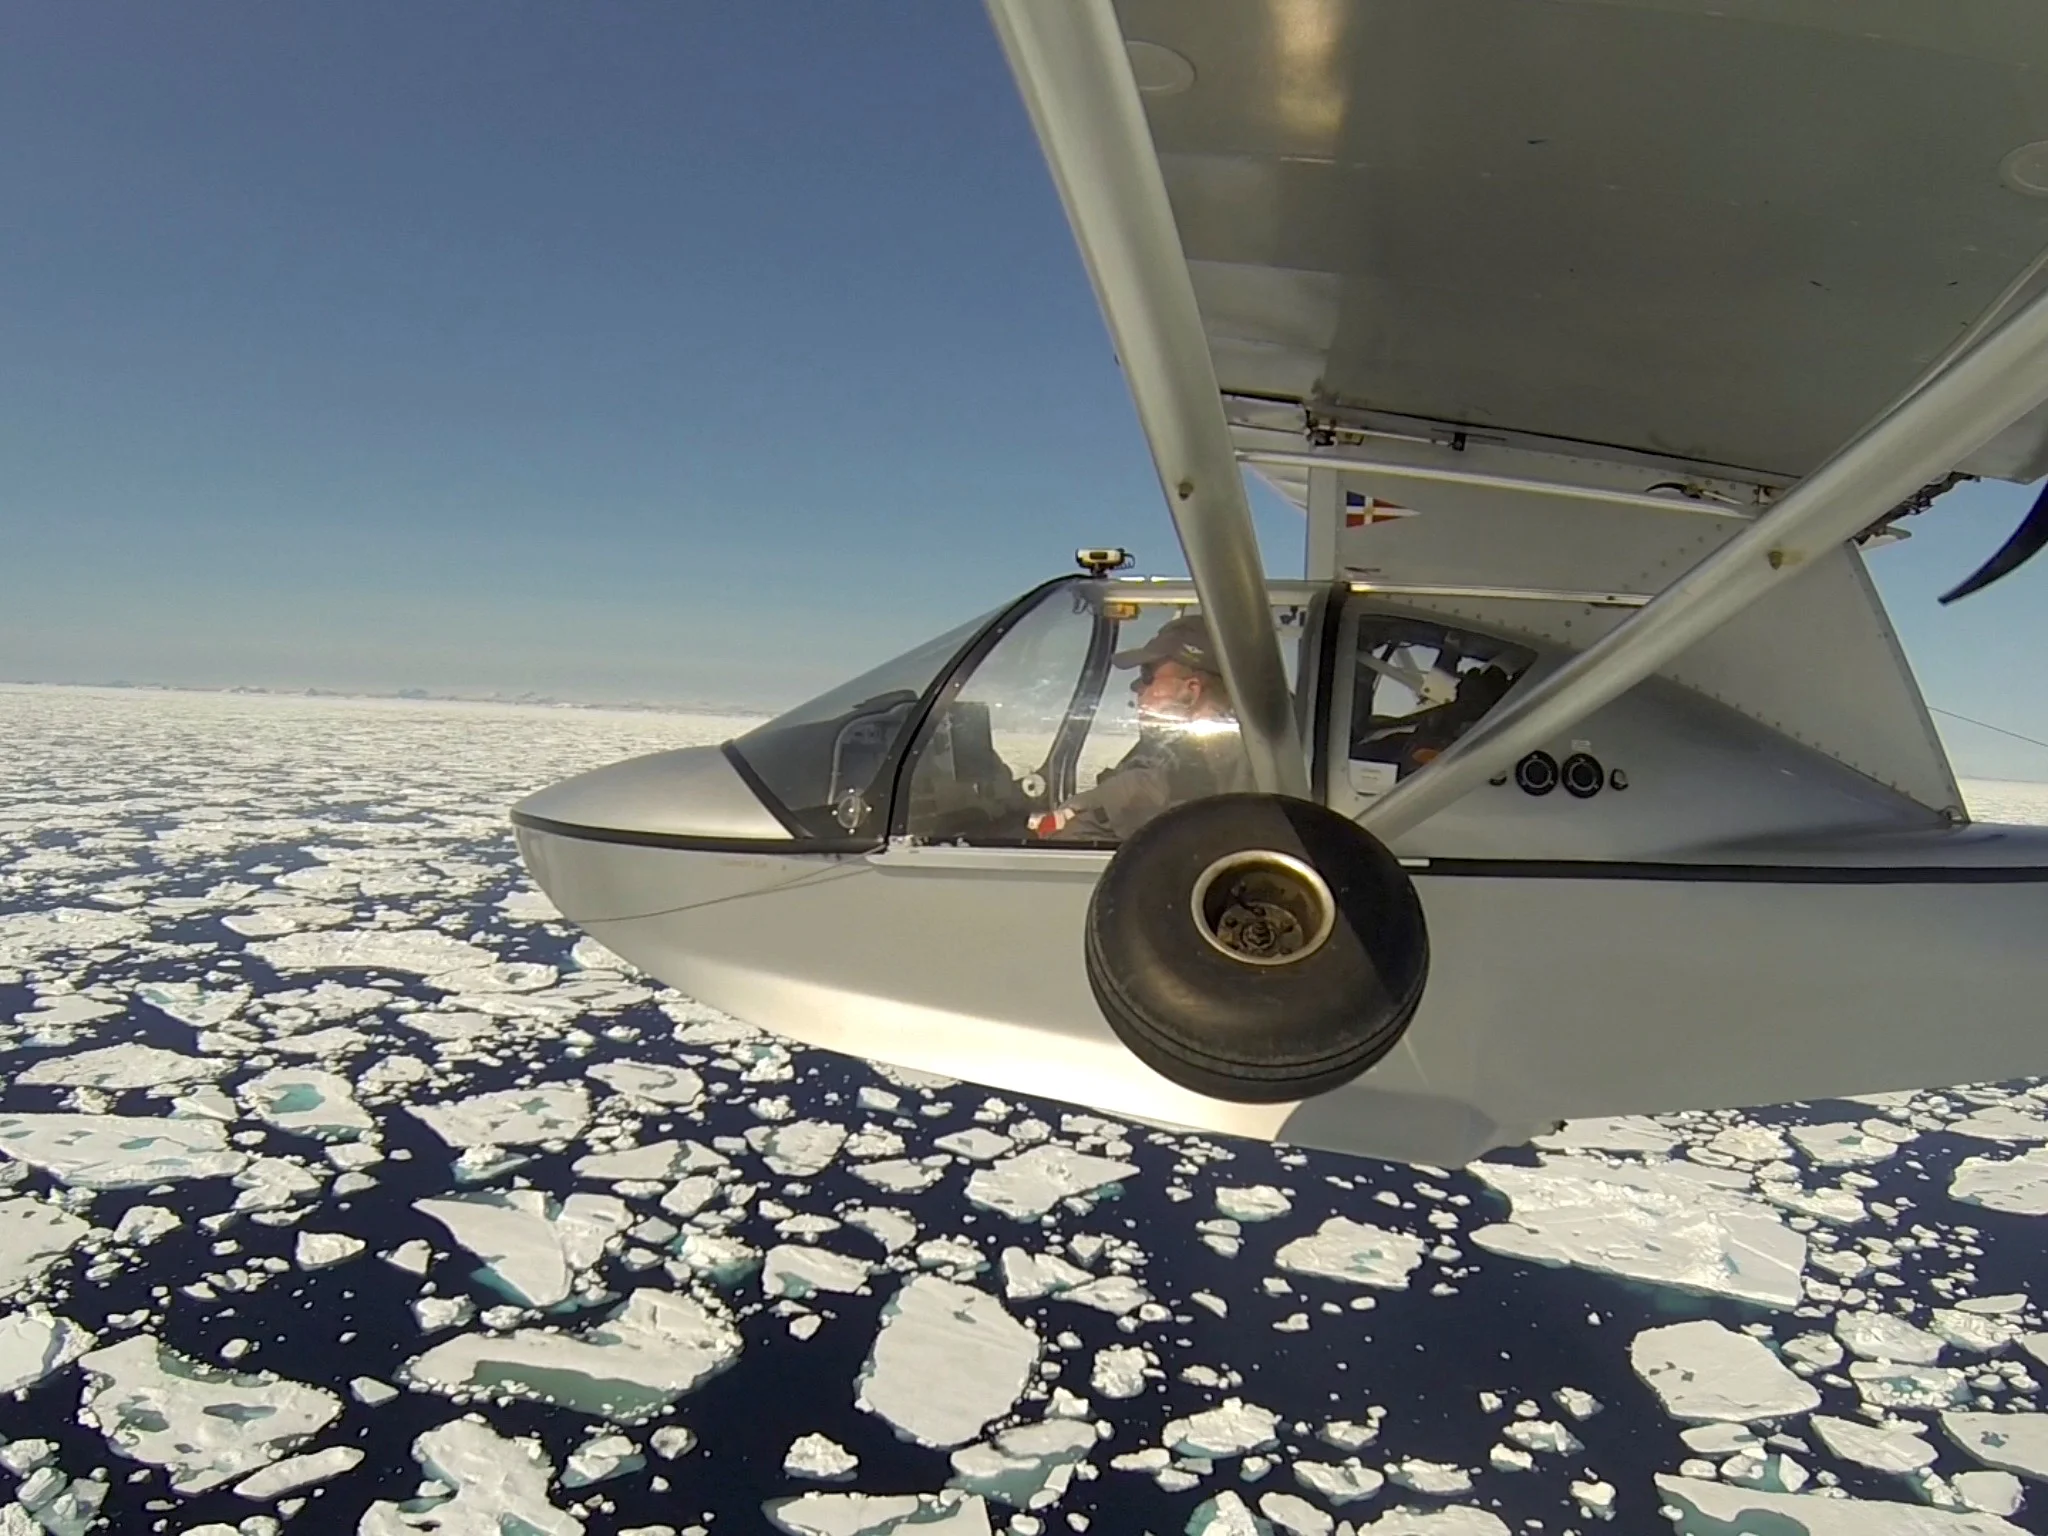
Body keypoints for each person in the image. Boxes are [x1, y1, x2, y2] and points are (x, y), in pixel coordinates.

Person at [1034, 614, 1256, 840]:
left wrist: (1085, 807)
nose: (1137, 687)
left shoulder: (1203, 765)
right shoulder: (1253, 749)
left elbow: (1073, 829)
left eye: (1148, 676)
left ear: (1191, 690)